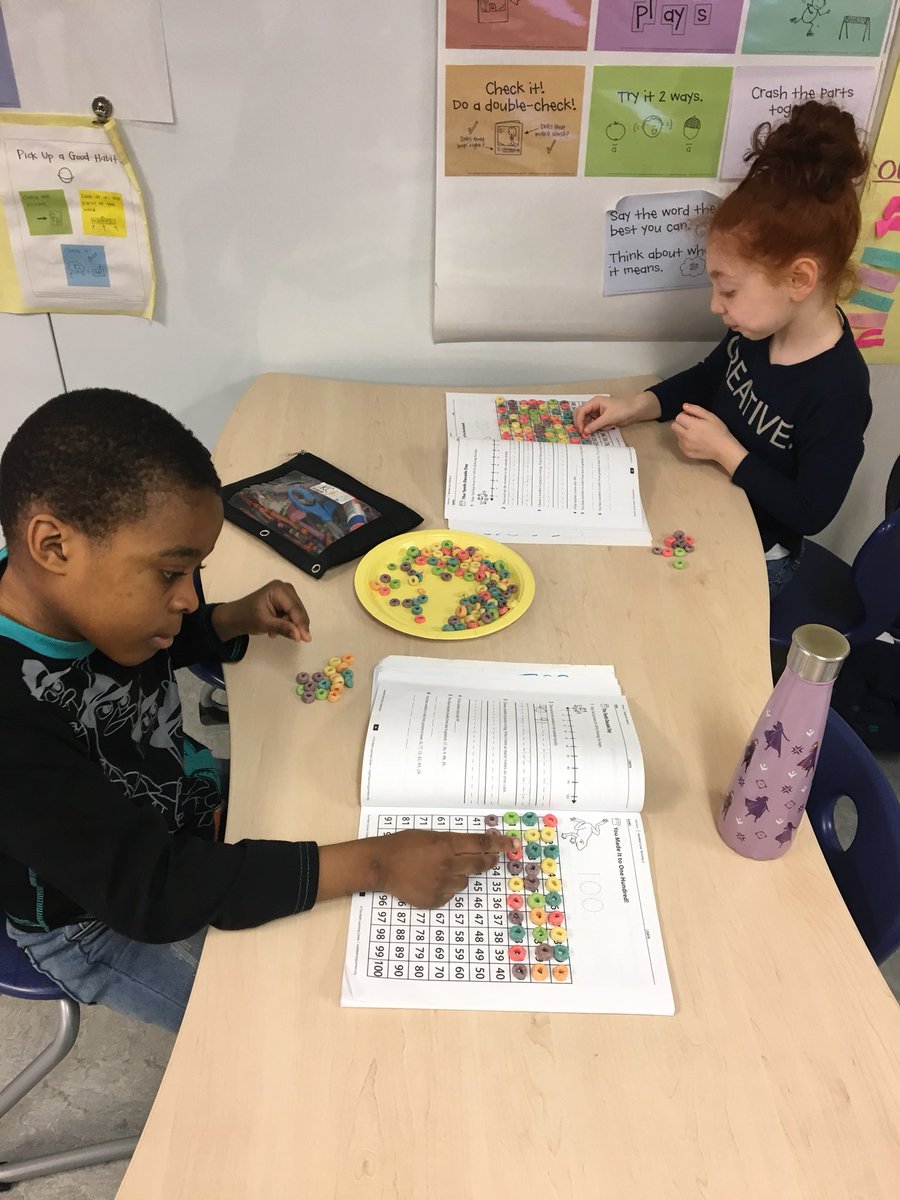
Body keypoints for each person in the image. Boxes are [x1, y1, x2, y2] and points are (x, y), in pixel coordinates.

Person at [0, 389, 513, 1032]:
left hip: (177, 810)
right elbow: (154, 890)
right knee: (281, 1034)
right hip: (95, 919)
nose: (187, 597)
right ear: (53, 546)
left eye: (197, 573)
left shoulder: (70, 594)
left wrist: (228, 620)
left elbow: (131, 644)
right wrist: (374, 863)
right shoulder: (12, 728)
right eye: (170, 574)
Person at [575, 101, 873, 599]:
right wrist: (636, 406)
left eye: (729, 290)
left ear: (799, 279)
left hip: (757, 559)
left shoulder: (839, 390)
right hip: (708, 508)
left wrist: (727, 452)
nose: (717, 306)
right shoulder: (757, 330)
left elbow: (811, 512)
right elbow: (710, 377)